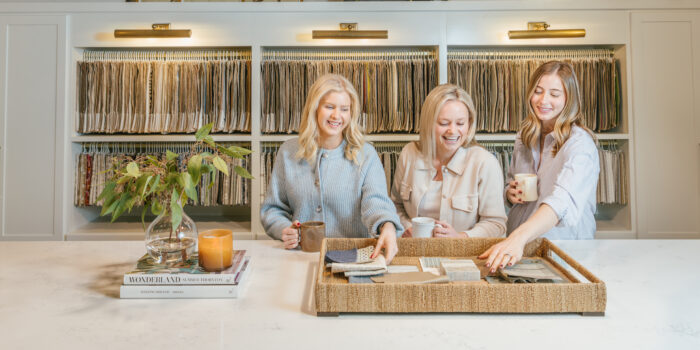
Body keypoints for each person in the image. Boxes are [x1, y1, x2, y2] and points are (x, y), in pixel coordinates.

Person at [260, 74, 403, 263]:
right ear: (315, 108)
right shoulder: (288, 152)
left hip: (352, 260)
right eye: (329, 107)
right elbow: (273, 209)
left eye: (344, 109)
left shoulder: (366, 155)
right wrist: (284, 229)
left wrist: (387, 226)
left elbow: (375, 203)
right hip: (299, 258)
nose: (337, 116)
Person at [480, 61, 600, 272]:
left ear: (568, 99)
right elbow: (511, 184)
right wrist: (510, 193)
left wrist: (517, 238)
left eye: (554, 94)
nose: (544, 100)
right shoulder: (525, 136)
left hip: (563, 250)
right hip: (521, 248)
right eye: (538, 91)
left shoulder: (580, 145)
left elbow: (560, 202)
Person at [390, 84, 507, 238]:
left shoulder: (485, 163)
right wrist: (407, 228)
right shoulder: (409, 154)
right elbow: (394, 206)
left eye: (460, 123)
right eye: (444, 123)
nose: (452, 131)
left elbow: (496, 224)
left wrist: (460, 238)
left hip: (463, 258)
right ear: (428, 124)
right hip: (415, 252)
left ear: (469, 124)